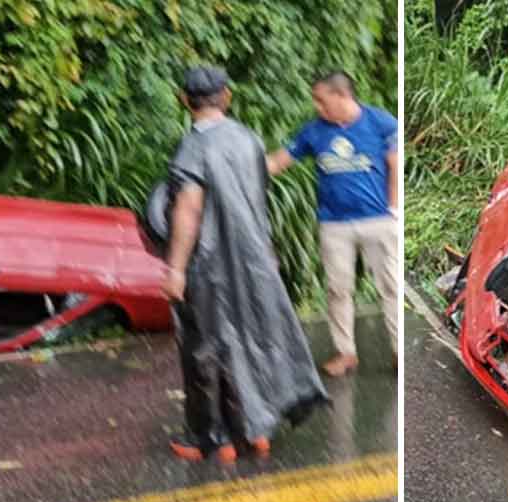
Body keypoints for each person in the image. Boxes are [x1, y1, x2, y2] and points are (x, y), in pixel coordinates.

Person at [160, 65, 329, 463]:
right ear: (227, 97)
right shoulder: (249, 140)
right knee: (252, 337)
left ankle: (213, 440)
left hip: (210, 265)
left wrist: (176, 269)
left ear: (185, 100)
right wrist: (267, 250)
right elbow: (257, 202)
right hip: (253, 260)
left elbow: (188, 209)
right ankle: (257, 429)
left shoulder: (192, 147)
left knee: (205, 347)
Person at [267, 70, 400, 377]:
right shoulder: (314, 132)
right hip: (334, 224)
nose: (317, 106)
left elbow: (394, 163)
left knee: (390, 288)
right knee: (338, 289)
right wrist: (241, 167)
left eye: (321, 100)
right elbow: (279, 161)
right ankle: (345, 353)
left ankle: (397, 353)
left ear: (342, 96)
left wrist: (394, 208)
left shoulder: (380, 123)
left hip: (378, 219)